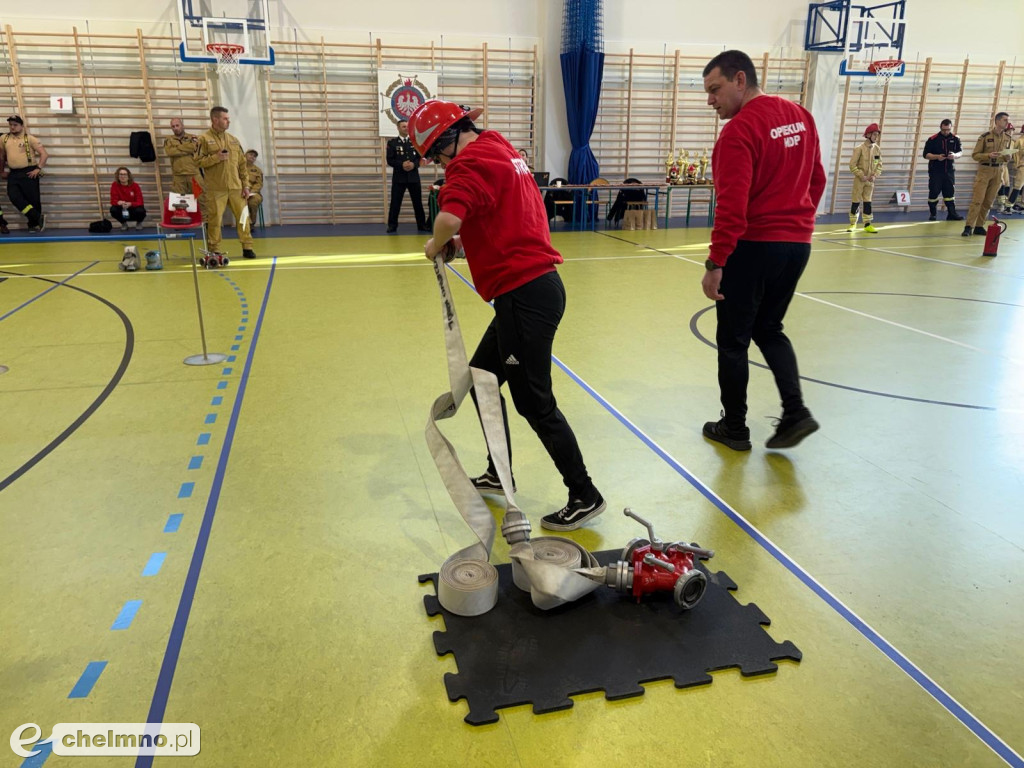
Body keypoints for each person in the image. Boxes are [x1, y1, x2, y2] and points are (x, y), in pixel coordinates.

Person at [409, 98, 606, 532]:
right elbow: (493, 208)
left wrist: (436, 241)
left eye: (436, 156)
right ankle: (499, 472)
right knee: (482, 379)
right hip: (531, 290)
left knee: (534, 402)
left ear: (444, 141)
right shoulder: (497, 145)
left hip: (526, 295)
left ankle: (584, 494)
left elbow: (448, 215)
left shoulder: (467, 164)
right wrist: (463, 240)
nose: (440, 165)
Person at [700, 49, 825, 452]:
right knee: (769, 328)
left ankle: (734, 427)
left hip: (753, 247)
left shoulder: (738, 132)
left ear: (741, 80)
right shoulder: (801, 117)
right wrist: (799, 221)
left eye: (715, 89)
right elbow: (817, 179)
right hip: (797, 245)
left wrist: (716, 262)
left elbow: (732, 207)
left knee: (734, 341)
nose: (711, 101)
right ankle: (796, 412)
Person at [196, 106, 256, 260]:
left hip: (236, 187)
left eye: (228, 118)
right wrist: (216, 157)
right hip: (216, 189)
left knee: (243, 218)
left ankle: (247, 247)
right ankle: (214, 249)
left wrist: (246, 186)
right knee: (215, 220)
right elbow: (197, 162)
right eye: (225, 118)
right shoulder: (203, 139)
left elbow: (242, 165)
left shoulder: (233, 140)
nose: (228, 120)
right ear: (215, 120)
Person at [963, 112, 1014, 236]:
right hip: (985, 170)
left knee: (988, 201)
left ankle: (979, 226)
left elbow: (1009, 157)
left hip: (999, 171)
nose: (1006, 122)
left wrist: (1008, 156)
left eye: (1007, 120)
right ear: (996, 121)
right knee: (977, 200)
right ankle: (969, 226)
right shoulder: (985, 137)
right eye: (1004, 120)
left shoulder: (1008, 138)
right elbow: (975, 155)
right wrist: (988, 155)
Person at [0, 115, 48, 232]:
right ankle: (37, 217)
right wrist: (1, 171)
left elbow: (44, 154)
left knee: (33, 199)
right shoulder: (4, 138)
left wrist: (38, 168)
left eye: (15, 125)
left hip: (29, 172)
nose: (12, 127)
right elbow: (1, 156)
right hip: (13, 173)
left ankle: (34, 224)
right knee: (14, 197)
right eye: (11, 125)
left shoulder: (30, 139)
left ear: (22, 126)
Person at [385, 119, 430, 234]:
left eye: (407, 126)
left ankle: (421, 225)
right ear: (398, 128)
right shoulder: (392, 143)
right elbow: (390, 160)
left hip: (413, 177)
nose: (406, 128)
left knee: (418, 203)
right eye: (403, 126)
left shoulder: (415, 142)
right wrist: (401, 164)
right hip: (399, 178)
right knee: (395, 203)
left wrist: (413, 165)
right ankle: (392, 226)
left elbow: (421, 158)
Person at [163, 117, 206, 219]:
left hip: (194, 173)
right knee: (179, 201)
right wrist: (188, 148)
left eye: (177, 125)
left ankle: (206, 222)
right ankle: (181, 221)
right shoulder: (169, 139)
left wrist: (178, 148)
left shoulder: (193, 137)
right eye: (173, 126)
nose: (175, 128)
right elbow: (170, 152)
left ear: (182, 125)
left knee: (202, 199)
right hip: (178, 176)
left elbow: (196, 148)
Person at [922, 119, 964, 221]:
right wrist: (937, 157)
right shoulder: (933, 139)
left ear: (951, 128)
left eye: (948, 129)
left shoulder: (955, 138)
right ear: (940, 127)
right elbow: (925, 155)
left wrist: (954, 155)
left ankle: (952, 214)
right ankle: (933, 214)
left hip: (949, 170)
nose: (946, 132)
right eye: (944, 129)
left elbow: (960, 152)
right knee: (934, 193)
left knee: (950, 193)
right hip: (936, 171)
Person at [848, 123, 882, 233]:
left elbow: (878, 164)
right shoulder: (859, 149)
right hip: (859, 180)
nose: (876, 137)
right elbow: (852, 165)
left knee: (868, 202)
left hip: (870, 181)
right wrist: (860, 175)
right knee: (856, 201)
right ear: (868, 135)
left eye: (877, 135)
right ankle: (853, 224)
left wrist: (875, 175)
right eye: (874, 135)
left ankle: (867, 224)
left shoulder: (877, 149)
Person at [244, 150, 264, 225]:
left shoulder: (258, 170)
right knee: (239, 202)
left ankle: (251, 224)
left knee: (253, 202)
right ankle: (243, 224)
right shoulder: (237, 168)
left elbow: (259, 184)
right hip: (240, 192)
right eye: (251, 154)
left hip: (254, 193)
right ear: (245, 155)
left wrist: (251, 192)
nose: (253, 157)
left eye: (254, 156)